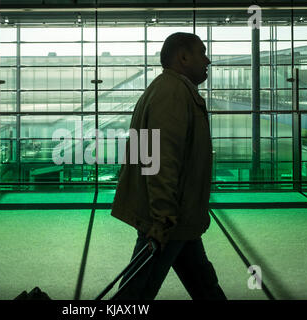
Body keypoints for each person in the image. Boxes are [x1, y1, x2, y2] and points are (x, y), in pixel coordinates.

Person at [110, 32, 227, 300]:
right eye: (202, 52)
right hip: (170, 219)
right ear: (183, 57)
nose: (208, 60)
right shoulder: (173, 93)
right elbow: (161, 159)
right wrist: (162, 217)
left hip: (177, 217)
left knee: (203, 284)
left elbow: (150, 153)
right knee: (137, 292)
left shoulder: (164, 89)